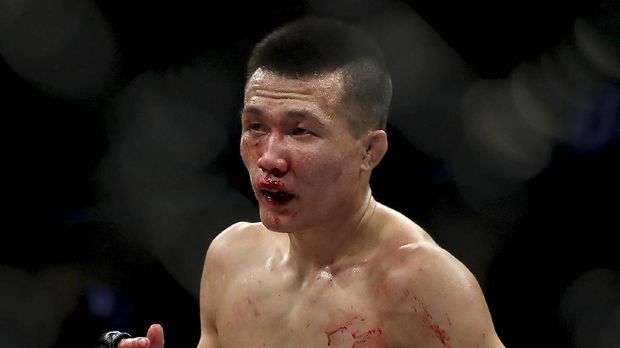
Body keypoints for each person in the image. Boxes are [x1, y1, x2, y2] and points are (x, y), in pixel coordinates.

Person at [110, 16, 505, 348]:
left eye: (301, 132)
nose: (269, 158)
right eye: (256, 126)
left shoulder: (426, 286)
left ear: (369, 151)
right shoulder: (230, 258)